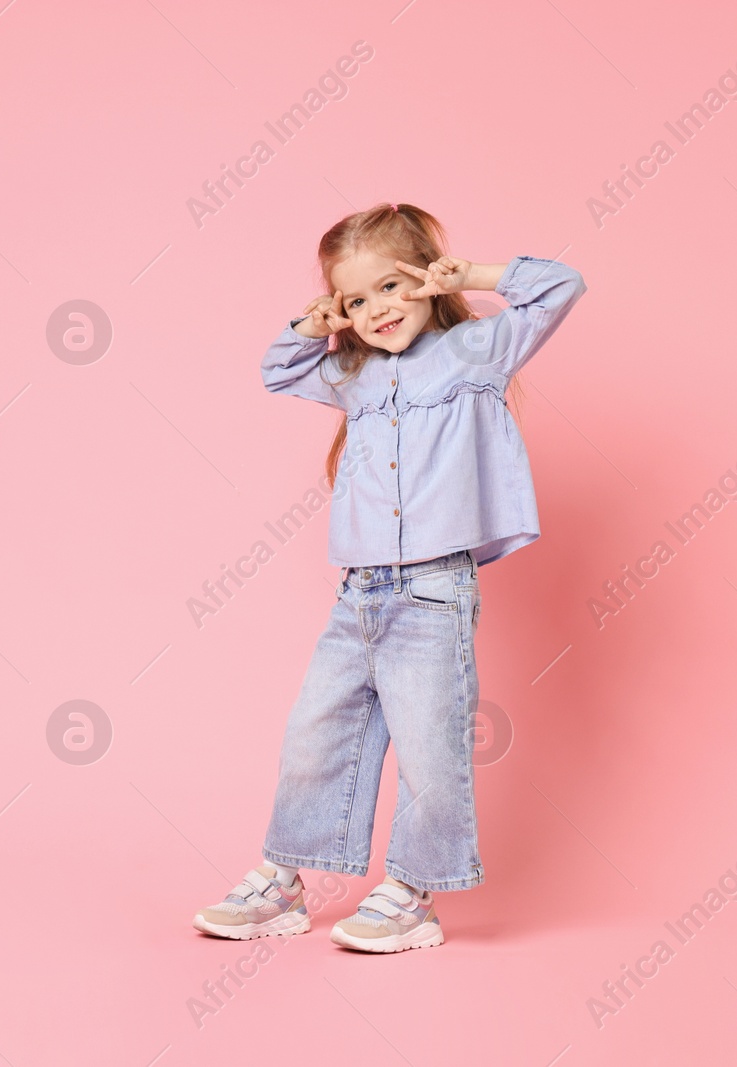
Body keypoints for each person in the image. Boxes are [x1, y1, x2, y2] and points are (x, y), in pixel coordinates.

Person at [192, 202, 587, 953]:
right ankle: (284, 881)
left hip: (435, 591)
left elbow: (561, 285)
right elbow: (278, 368)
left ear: (426, 281)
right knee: (314, 735)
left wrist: (469, 274)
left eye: (390, 288)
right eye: (356, 299)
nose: (376, 310)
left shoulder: (477, 351)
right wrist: (315, 323)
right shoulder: (354, 374)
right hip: (359, 592)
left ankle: (411, 893)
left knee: (430, 745)